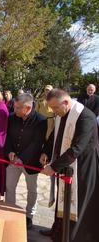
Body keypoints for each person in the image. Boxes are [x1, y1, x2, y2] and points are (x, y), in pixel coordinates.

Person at [40, 89, 99, 242]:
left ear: (66, 102)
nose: (53, 111)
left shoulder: (85, 116)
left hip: (82, 169)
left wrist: (53, 167)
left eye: (55, 107)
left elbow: (77, 148)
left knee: (78, 204)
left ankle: (74, 237)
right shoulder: (62, 114)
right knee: (63, 199)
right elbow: (54, 136)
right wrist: (46, 151)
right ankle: (59, 232)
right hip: (65, 166)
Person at [4, 93, 47, 230]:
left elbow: (36, 143)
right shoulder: (11, 117)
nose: (14, 110)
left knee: (32, 189)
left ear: (28, 108)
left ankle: (29, 215)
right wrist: (9, 151)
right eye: (15, 107)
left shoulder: (41, 120)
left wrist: (21, 158)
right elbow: (7, 137)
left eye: (18, 108)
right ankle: (10, 211)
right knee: (9, 187)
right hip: (12, 160)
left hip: (31, 162)